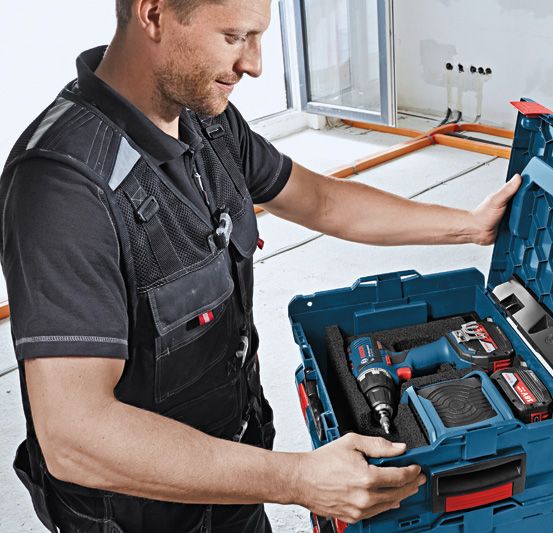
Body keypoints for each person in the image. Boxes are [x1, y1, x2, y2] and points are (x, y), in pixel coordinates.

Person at [0, 0, 522, 531]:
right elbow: (74, 438)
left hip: (232, 477)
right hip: (138, 515)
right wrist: (295, 479)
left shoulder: (208, 124)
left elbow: (322, 201)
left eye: (259, 37)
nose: (255, 64)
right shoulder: (63, 185)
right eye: (233, 37)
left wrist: (468, 226)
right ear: (153, 14)